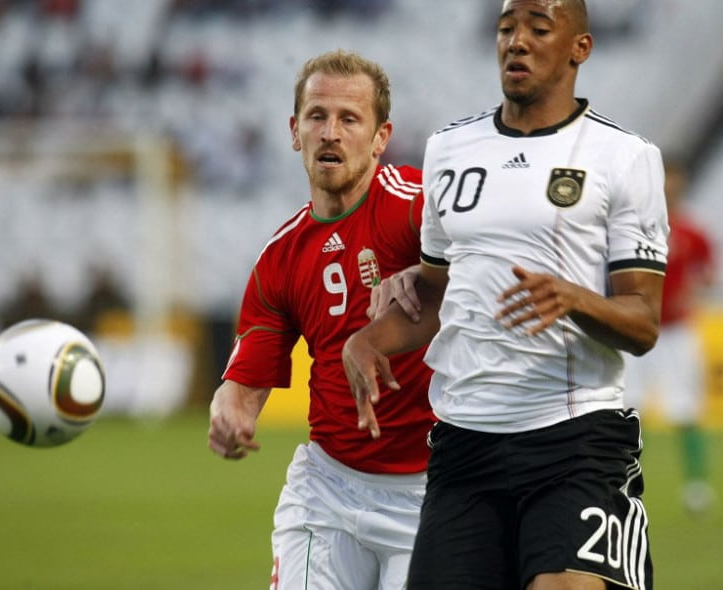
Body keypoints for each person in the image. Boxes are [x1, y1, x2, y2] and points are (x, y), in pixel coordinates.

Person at [342, 2, 669, 589]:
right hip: (464, 444)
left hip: (574, 440)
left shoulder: (624, 158)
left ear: (580, 48)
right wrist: (369, 340)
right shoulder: (449, 150)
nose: (517, 41)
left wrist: (574, 298)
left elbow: (643, 321)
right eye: (506, 28)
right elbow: (439, 293)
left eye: (539, 28)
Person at [207, 50, 435, 590]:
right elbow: (244, 384)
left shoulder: (420, 209)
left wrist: (427, 272)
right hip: (328, 492)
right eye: (317, 116)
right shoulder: (279, 259)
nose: (330, 132)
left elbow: (488, 273)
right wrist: (228, 410)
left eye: (349, 119)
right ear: (294, 131)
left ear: (381, 137)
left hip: (432, 491)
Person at [624, 157, 716, 515]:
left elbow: (707, 274)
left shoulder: (692, 232)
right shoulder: (635, 227)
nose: (669, 188)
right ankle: (622, 480)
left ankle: (696, 486)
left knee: (686, 410)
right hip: (636, 329)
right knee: (627, 409)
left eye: (675, 181)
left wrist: (692, 290)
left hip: (676, 332)